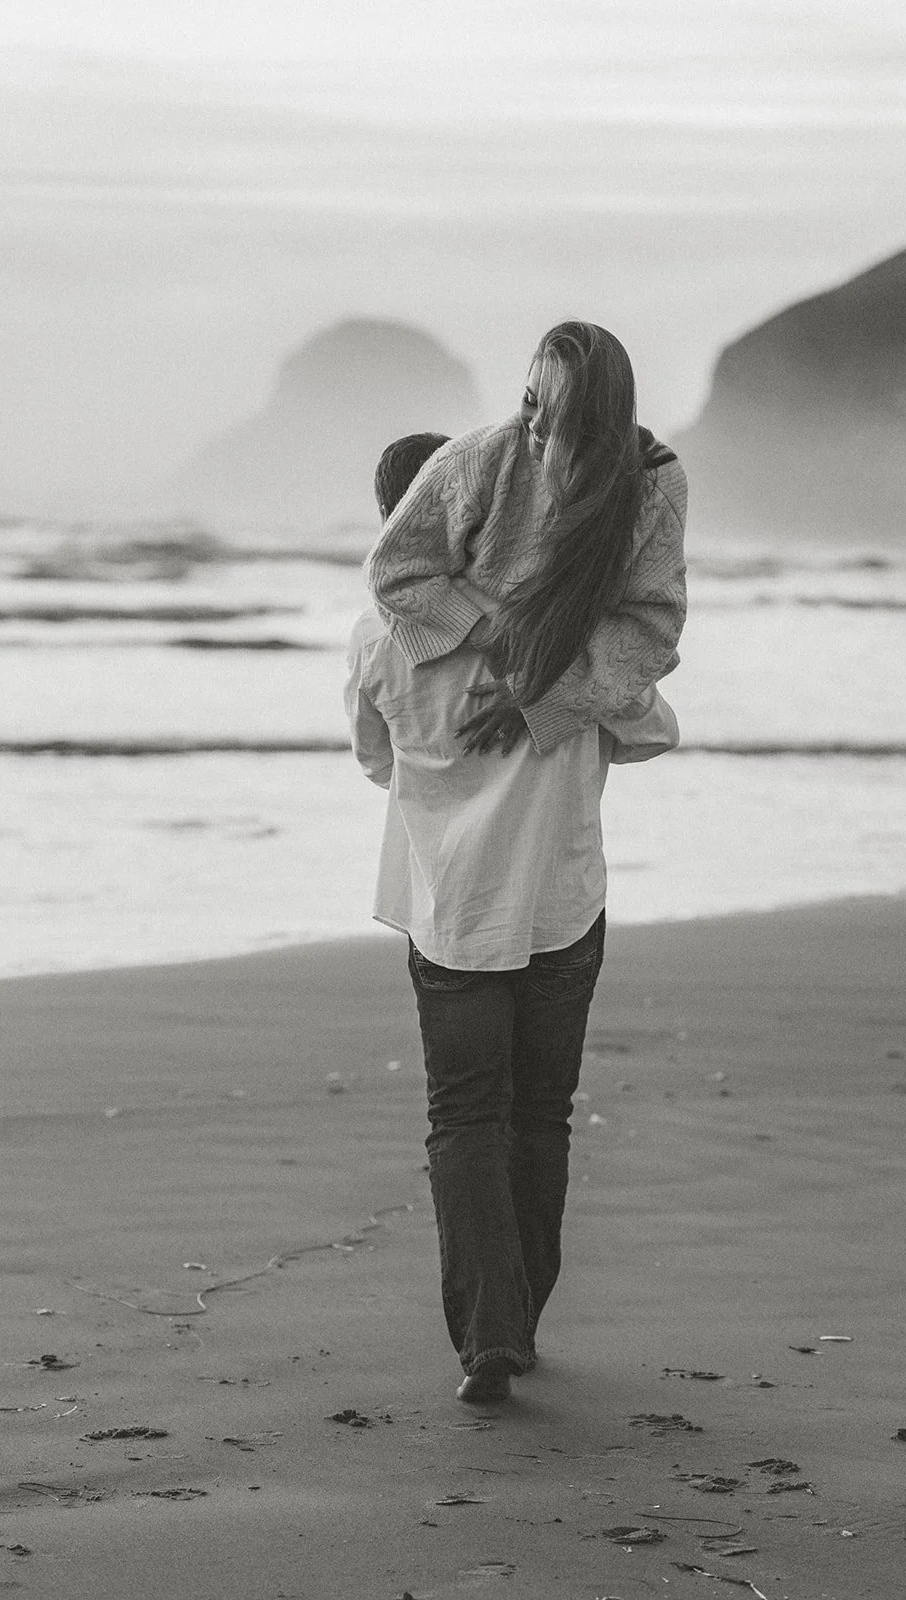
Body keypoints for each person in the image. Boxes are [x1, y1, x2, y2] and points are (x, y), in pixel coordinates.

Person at [345, 430, 680, 1404]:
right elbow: (651, 729)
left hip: (447, 907)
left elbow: (376, 762)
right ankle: (520, 1319)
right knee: (539, 1113)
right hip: (558, 905)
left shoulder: (377, 634)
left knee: (464, 1117)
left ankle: (486, 1331)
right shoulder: (564, 632)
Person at [364, 320, 687, 758]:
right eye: (530, 400)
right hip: (473, 661)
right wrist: (492, 635)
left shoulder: (653, 483)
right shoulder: (477, 458)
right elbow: (392, 569)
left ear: (595, 419)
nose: (534, 425)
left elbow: (652, 619)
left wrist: (541, 699)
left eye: (558, 411)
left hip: (569, 684)